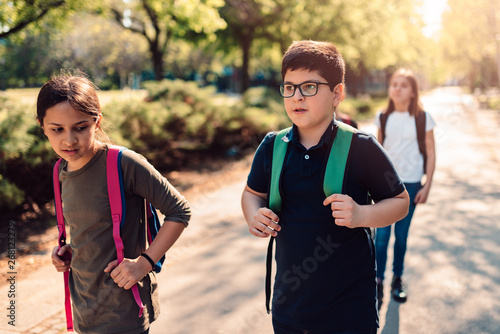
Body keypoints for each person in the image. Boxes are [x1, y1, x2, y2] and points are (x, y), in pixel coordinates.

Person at [241, 40, 409, 334]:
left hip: (349, 311)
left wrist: (361, 215)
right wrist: (253, 215)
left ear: (337, 93)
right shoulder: (272, 146)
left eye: (309, 87)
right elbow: (252, 194)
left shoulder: (361, 147)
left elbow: (400, 202)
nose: (297, 97)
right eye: (289, 87)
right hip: (289, 308)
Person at [38, 73, 191, 334]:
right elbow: (89, 230)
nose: (69, 140)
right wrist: (68, 253)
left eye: (80, 127)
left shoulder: (124, 164)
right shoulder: (59, 171)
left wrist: (144, 263)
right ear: (42, 126)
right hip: (84, 312)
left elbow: (179, 211)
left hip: (124, 314)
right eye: (57, 129)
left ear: (96, 122)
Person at [374, 68, 436, 307]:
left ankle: (397, 279)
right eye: (394, 84)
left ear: (412, 92)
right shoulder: (383, 117)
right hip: (384, 186)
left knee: (401, 236)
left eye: (403, 85)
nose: (396, 89)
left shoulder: (422, 118)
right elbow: (376, 152)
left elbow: (431, 153)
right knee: (381, 237)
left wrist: (427, 185)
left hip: (410, 184)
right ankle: (377, 281)